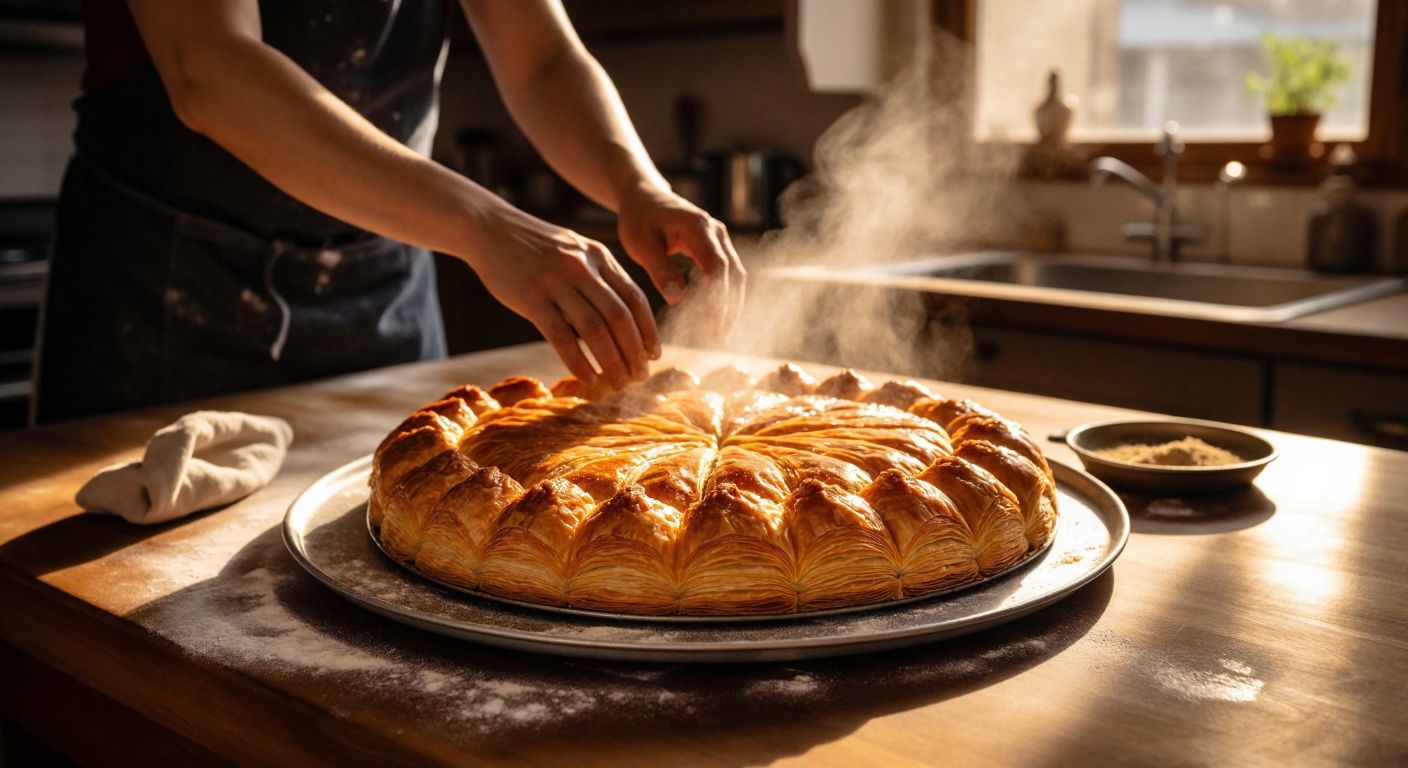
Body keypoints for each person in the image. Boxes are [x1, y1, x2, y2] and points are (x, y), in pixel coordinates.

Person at [35, 0, 745, 423]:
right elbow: (208, 66)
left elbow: (542, 61)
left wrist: (637, 185)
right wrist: (484, 223)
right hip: (165, 282)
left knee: (408, 525)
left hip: (382, 281)